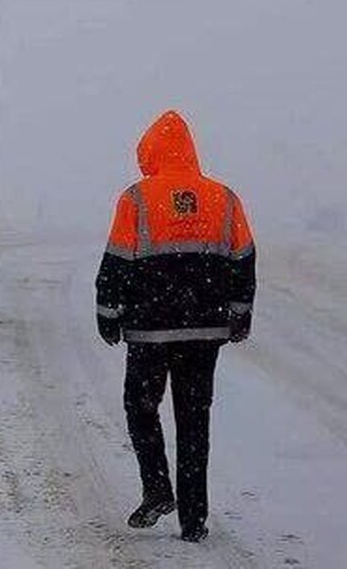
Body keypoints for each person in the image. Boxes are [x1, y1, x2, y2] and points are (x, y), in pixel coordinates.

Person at [95, 110, 256, 543]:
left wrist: (108, 315)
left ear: (151, 152)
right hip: (205, 331)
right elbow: (244, 261)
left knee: (141, 407)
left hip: (150, 330)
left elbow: (115, 263)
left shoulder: (137, 199)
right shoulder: (225, 198)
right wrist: (240, 314)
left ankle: (157, 488)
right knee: (194, 419)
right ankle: (194, 520)